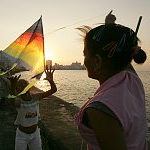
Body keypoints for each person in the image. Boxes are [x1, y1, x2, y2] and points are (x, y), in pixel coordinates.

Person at [75, 12, 148, 150]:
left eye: (85, 54)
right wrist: (110, 28)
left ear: (97, 62)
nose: (84, 60)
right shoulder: (133, 81)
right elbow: (122, 60)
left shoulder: (101, 109)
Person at [8, 65, 57, 150]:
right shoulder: (19, 101)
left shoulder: (36, 97)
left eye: (25, 83)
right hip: (22, 135)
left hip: (35, 134)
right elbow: (11, 101)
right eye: (19, 84)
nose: (23, 85)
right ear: (17, 90)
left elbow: (53, 90)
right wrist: (12, 85)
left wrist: (51, 81)